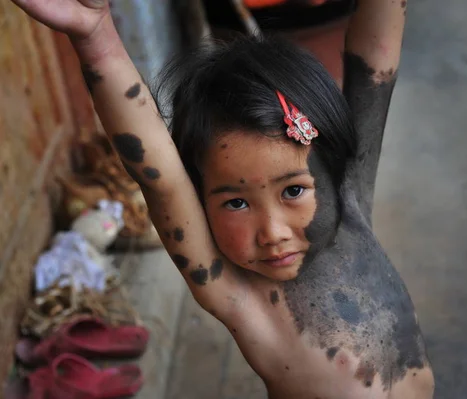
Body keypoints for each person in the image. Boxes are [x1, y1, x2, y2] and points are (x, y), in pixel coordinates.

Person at [10, 0, 435, 397]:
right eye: (235, 202)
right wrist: (96, 37)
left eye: (293, 191)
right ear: (200, 200)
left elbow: (376, 57)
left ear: (336, 172)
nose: (271, 232)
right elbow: (159, 177)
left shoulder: (350, 205)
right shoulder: (235, 293)